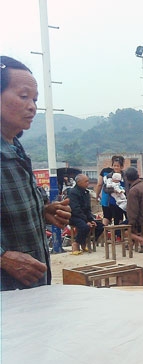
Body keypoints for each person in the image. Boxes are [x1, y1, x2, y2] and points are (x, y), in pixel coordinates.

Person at [1, 56, 71, 290]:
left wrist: (43, 211)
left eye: (34, 99)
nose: (32, 106)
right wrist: (3, 257)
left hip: (29, 292)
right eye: (23, 96)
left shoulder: (15, 148)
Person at [68, 174, 104, 255]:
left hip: (84, 216)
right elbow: (75, 209)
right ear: (79, 182)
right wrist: (86, 221)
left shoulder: (86, 192)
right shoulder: (72, 192)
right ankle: (76, 243)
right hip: (74, 216)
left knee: (100, 226)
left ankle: (86, 241)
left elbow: (88, 209)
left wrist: (91, 219)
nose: (88, 183)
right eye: (86, 181)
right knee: (84, 226)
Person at [124, 167, 143, 252]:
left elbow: (133, 211)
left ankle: (141, 240)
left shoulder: (133, 190)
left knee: (121, 229)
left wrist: (131, 224)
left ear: (127, 179)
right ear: (138, 175)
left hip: (142, 219)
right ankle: (131, 242)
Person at [98, 155, 125, 225]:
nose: (116, 167)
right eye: (114, 166)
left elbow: (128, 186)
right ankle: (112, 231)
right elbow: (105, 188)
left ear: (121, 167)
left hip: (123, 200)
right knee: (112, 216)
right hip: (112, 200)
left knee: (120, 217)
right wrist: (113, 190)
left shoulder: (125, 176)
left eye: (118, 166)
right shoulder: (109, 176)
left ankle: (120, 231)